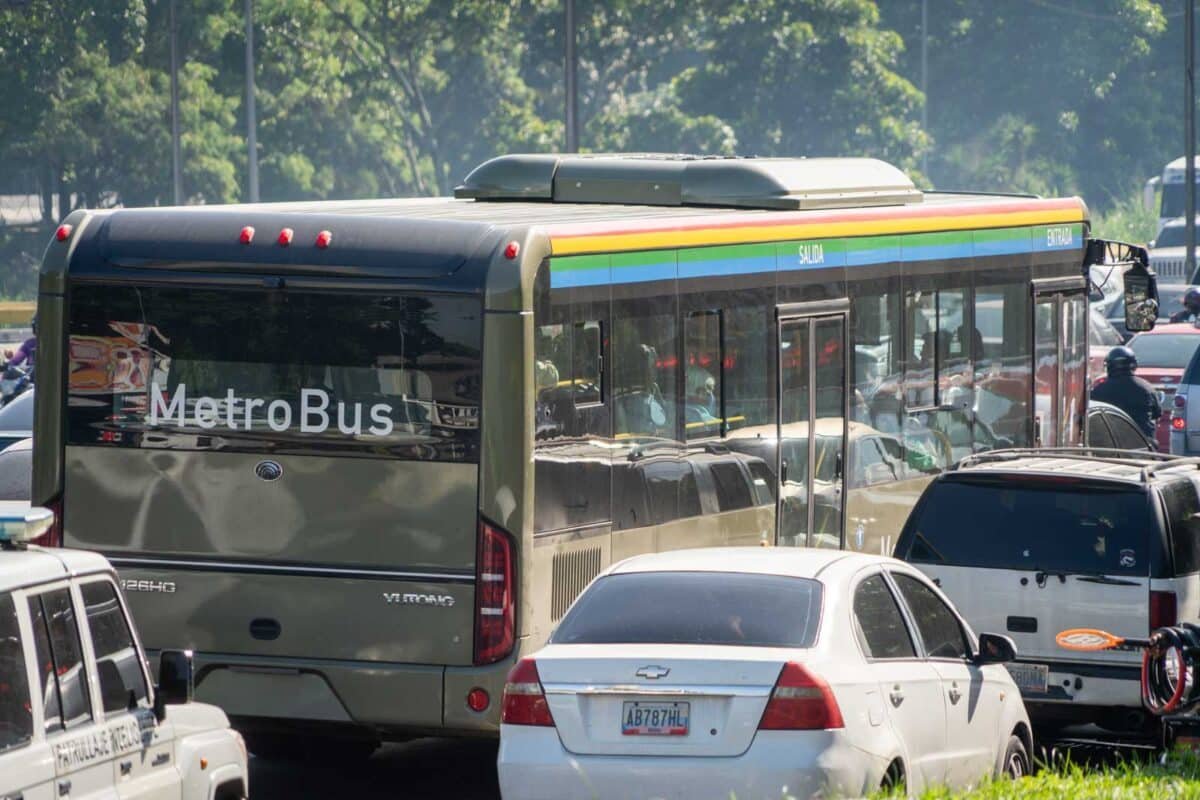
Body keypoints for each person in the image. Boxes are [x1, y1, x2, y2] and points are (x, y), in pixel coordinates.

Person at [1090, 346, 1161, 438]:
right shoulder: (1146, 388)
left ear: (1109, 366)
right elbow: (1157, 414)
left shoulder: (1099, 390)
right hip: (1143, 446)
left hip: (1108, 446)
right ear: (1134, 365)